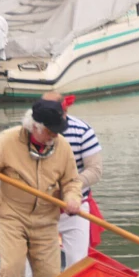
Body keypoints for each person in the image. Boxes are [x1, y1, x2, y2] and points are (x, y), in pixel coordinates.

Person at [0, 99, 83, 277]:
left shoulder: (62, 147)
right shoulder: (8, 140)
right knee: (11, 270)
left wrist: (72, 199)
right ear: (35, 127)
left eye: (57, 131)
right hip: (12, 217)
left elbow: (71, 181)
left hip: (46, 221)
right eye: (50, 131)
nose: (55, 136)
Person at [42, 92, 103, 267]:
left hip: (75, 206)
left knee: (77, 263)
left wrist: (69, 187)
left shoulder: (82, 131)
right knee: (36, 264)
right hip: (39, 208)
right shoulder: (32, 131)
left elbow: (95, 170)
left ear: (64, 111)